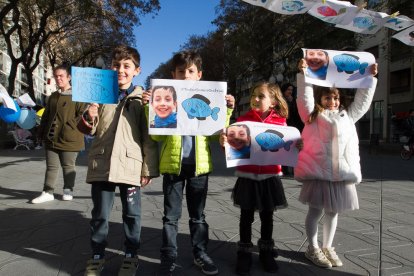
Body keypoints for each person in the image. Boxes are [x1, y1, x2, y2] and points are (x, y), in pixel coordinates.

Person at [143, 50, 235, 276]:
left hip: (199, 168)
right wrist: (149, 108)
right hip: (173, 167)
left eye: (190, 71)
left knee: (198, 216)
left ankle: (200, 253)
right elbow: (156, 136)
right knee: (170, 217)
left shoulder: (208, 98)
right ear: (172, 75)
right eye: (181, 71)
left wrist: (228, 108)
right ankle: (168, 256)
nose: (186, 75)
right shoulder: (166, 99)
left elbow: (216, 134)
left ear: (199, 75)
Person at [78, 45, 159, 276]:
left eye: (127, 66)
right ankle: (97, 255)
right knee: (100, 214)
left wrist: (148, 168)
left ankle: (131, 255)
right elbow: (89, 129)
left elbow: (149, 137)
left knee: (132, 214)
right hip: (102, 164)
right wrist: (88, 115)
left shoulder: (143, 99)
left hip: (131, 166)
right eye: (116, 65)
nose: (121, 70)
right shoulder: (100, 93)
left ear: (137, 70)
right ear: (110, 68)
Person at [295, 59, 378, 268]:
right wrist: (304, 75)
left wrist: (370, 77)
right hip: (319, 174)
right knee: (315, 211)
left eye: (335, 97)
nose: (332, 100)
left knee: (333, 212)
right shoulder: (312, 116)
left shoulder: (348, 117)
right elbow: (304, 98)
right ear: (320, 99)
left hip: (340, 173)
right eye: (327, 97)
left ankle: (327, 246)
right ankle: (312, 248)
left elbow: (362, 102)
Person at [219, 81, 289, 275]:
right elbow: (234, 148)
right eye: (253, 96)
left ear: (274, 102)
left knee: (267, 216)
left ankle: (266, 252)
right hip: (247, 175)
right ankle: (244, 253)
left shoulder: (281, 123)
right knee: (246, 216)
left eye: (261, 96)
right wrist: (225, 143)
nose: (255, 99)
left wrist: (296, 147)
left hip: (269, 176)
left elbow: (287, 147)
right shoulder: (243, 120)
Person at [31, 64, 87, 204]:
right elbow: (46, 116)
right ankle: (47, 192)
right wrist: (41, 132)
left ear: (69, 77)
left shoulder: (79, 95)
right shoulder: (53, 96)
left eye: (61, 76)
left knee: (68, 166)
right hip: (51, 138)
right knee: (51, 166)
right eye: (56, 76)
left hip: (70, 138)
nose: (58, 78)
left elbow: (83, 115)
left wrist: (69, 126)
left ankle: (68, 190)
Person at [281, 83, 304, 176]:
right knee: (284, 149)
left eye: (291, 90)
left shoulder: (294, 101)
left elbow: (297, 115)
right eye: (288, 90)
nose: (290, 92)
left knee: (295, 149)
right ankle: (284, 169)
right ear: (284, 91)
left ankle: (296, 169)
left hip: (294, 127)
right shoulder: (280, 101)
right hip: (284, 127)